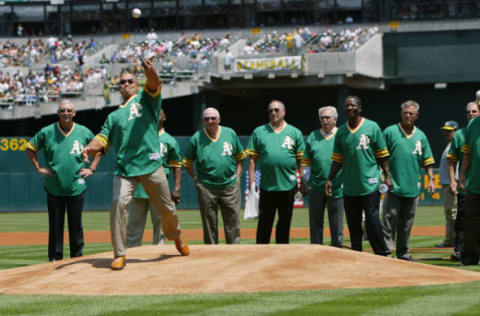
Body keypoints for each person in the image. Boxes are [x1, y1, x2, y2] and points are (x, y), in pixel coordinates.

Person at [81, 56, 189, 271]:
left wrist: (150, 70)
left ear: (136, 84)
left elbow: (154, 83)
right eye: (122, 82)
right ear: (119, 88)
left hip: (150, 165)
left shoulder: (146, 100)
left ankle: (176, 236)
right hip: (125, 169)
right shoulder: (114, 116)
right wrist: (90, 147)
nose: (126, 84)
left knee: (167, 209)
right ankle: (119, 253)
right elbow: (102, 138)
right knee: (117, 204)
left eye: (130, 81)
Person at [26, 100, 101, 262]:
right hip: (54, 186)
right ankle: (55, 257)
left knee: (76, 225)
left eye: (69, 110)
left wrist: (92, 168)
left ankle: (77, 257)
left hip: (76, 185)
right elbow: (30, 148)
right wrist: (39, 167)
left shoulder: (83, 132)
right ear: (58, 113)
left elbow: (99, 149)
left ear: (74, 113)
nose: (66, 112)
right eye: (63, 110)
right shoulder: (47, 132)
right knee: (55, 225)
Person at [325, 95, 391, 256]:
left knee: (372, 220)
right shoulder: (341, 132)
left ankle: (382, 253)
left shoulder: (372, 127)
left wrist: (388, 175)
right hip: (350, 185)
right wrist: (330, 179)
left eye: (353, 105)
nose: (350, 108)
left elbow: (382, 155)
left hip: (370, 182)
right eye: (347, 106)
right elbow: (337, 159)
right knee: (353, 224)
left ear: (360, 108)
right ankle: (357, 255)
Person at [381, 100, 436, 261]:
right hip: (393, 185)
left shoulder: (421, 135)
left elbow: (428, 160)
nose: (407, 116)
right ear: (401, 113)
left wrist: (431, 180)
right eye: (405, 112)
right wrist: (384, 178)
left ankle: (403, 252)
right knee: (389, 220)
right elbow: (381, 156)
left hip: (412, 187)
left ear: (416, 116)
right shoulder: (390, 132)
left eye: (411, 113)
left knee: (406, 223)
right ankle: (386, 252)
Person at [183, 107, 245, 244]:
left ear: (219, 119)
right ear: (203, 121)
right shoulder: (197, 138)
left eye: (213, 118)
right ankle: (211, 256)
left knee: (233, 223)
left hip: (230, 186)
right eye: (206, 119)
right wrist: (195, 179)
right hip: (207, 188)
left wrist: (238, 176)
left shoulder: (230, 133)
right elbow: (187, 162)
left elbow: (241, 157)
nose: (210, 121)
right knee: (209, 224)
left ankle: (234, 254)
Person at [246, 100, 305, 244]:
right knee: (264, 224)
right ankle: (261, 253)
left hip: (288, 186)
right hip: (267, 186)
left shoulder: (295, 132)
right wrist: (252, 182)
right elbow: (252, 159)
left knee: (284, 223)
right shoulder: (259, 131)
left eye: (277, 110)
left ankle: (282, 254)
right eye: (270, 110)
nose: (273, 113)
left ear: (283, 112)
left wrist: (302, 180)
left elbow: (301, 160)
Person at [126, 109, 182, 248]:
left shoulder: (169, 140)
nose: (155, 116)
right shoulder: (138, 137)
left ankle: (157, 262)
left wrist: (176, 188)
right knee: (133, 229)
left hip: (159, 190)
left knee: (161, 229)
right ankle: (131, 256)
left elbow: (177, 166)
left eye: (159, 113)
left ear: (164, 117)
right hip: (138, 189)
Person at [299, 106, 344, 247]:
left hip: (337, 186)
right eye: (322, 118)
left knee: (336, 223)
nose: (324, 120)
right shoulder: (313, 136)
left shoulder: (342, 134)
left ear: (335, 119)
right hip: (316, 185)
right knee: (315, 222)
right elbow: (306, 162)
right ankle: (316, 251)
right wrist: (303, 181)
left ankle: (337, 250)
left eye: (328, 117)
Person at [447, 102, 479, 260]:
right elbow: (460, 156)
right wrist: (458, 177)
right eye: (469, 111)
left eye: (475, 110)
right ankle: (464, 252)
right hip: (470, 183)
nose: (472, 113)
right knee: (466, 219)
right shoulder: (466, 130)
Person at [458, 108, 480, 265]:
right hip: (475, 181)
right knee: (471, 219)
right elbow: (467, 153)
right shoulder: (473, 124)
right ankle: (469, 255)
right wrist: (463, 174)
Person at [436, 120, 459, 248]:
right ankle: (451, 239)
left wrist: (453, 182)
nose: (446, 133)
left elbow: (457, 165)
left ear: (455, 131)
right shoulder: (449, 145)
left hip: (451, 184)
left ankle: (454, 240)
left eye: (449, 131)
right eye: (445, 131)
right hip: (446, 184)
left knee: (453, 213)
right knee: (450, 213)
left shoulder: (456, 145)